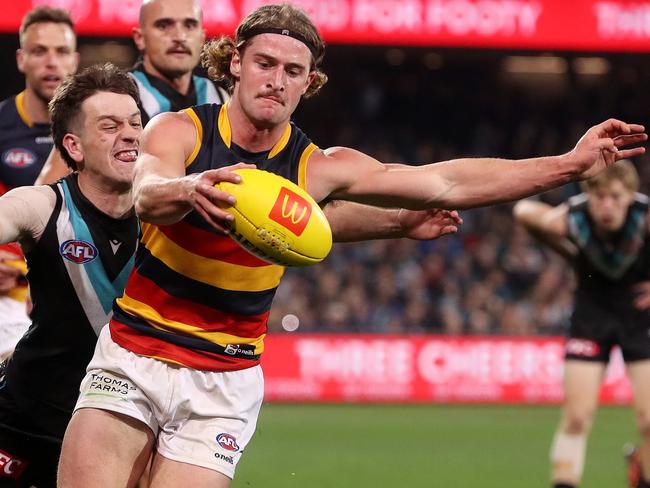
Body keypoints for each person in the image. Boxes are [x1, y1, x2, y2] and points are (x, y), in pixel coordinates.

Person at [58, 4, 647, 487]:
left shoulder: (319, 167)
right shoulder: (180, 130)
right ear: (235, 63)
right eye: (264, 62)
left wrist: (567, 166)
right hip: (135, 354)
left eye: (294, 71)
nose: (277, 79)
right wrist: (190, 187)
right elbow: (148, 192)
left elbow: (444, 181)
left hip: (225, 378)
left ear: (308, 83)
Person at [0, 63, 141, 488]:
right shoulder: (41, 207)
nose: (131, 134)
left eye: (136, 123)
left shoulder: (173, 216)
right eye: (110, 126)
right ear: (74, 146)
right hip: (25, 421)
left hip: (123, 431)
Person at [513, 160, 650, 488]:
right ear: (588, 194)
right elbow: (522, 211)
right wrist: (567, 251)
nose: (607, 205)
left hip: (639, 314)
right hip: (592, 313)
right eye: (599, 196)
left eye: (616, 197)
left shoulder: (644, 217)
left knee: (649, 421)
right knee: (576, 417)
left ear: (631, 195)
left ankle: (641, 477)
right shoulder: (572, 217)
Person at [36, 0, 228, 184]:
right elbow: (47, 191)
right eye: (163, 25)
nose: (179, 36)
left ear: (202, 37)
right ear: (140, 38)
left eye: (190, 25)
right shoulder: (108, 96)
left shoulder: (220, 98)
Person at [0, 5, 79, 360]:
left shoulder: (97, 132)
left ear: (75, 60)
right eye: (39, 51)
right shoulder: (1, 125)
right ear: (21, 59)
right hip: (11, 299)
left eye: (61, 52)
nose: (51, 62)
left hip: (75, 291)